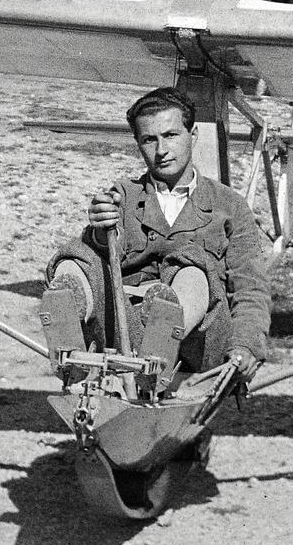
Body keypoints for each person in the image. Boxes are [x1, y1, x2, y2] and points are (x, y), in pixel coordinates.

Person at [36, 87, 270, 384]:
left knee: (194, 270)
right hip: (120, 333)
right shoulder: (123, 196)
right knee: (76, 257)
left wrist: (246, 346)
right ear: (138, 143)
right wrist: (101, 231)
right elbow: (105, 251)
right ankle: (68, 331)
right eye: (149, 139)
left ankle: (161, 340)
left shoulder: (230, 206)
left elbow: (251, 287)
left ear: (193, 135)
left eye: (170, 135)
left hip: (193, 350)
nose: (161, 150)